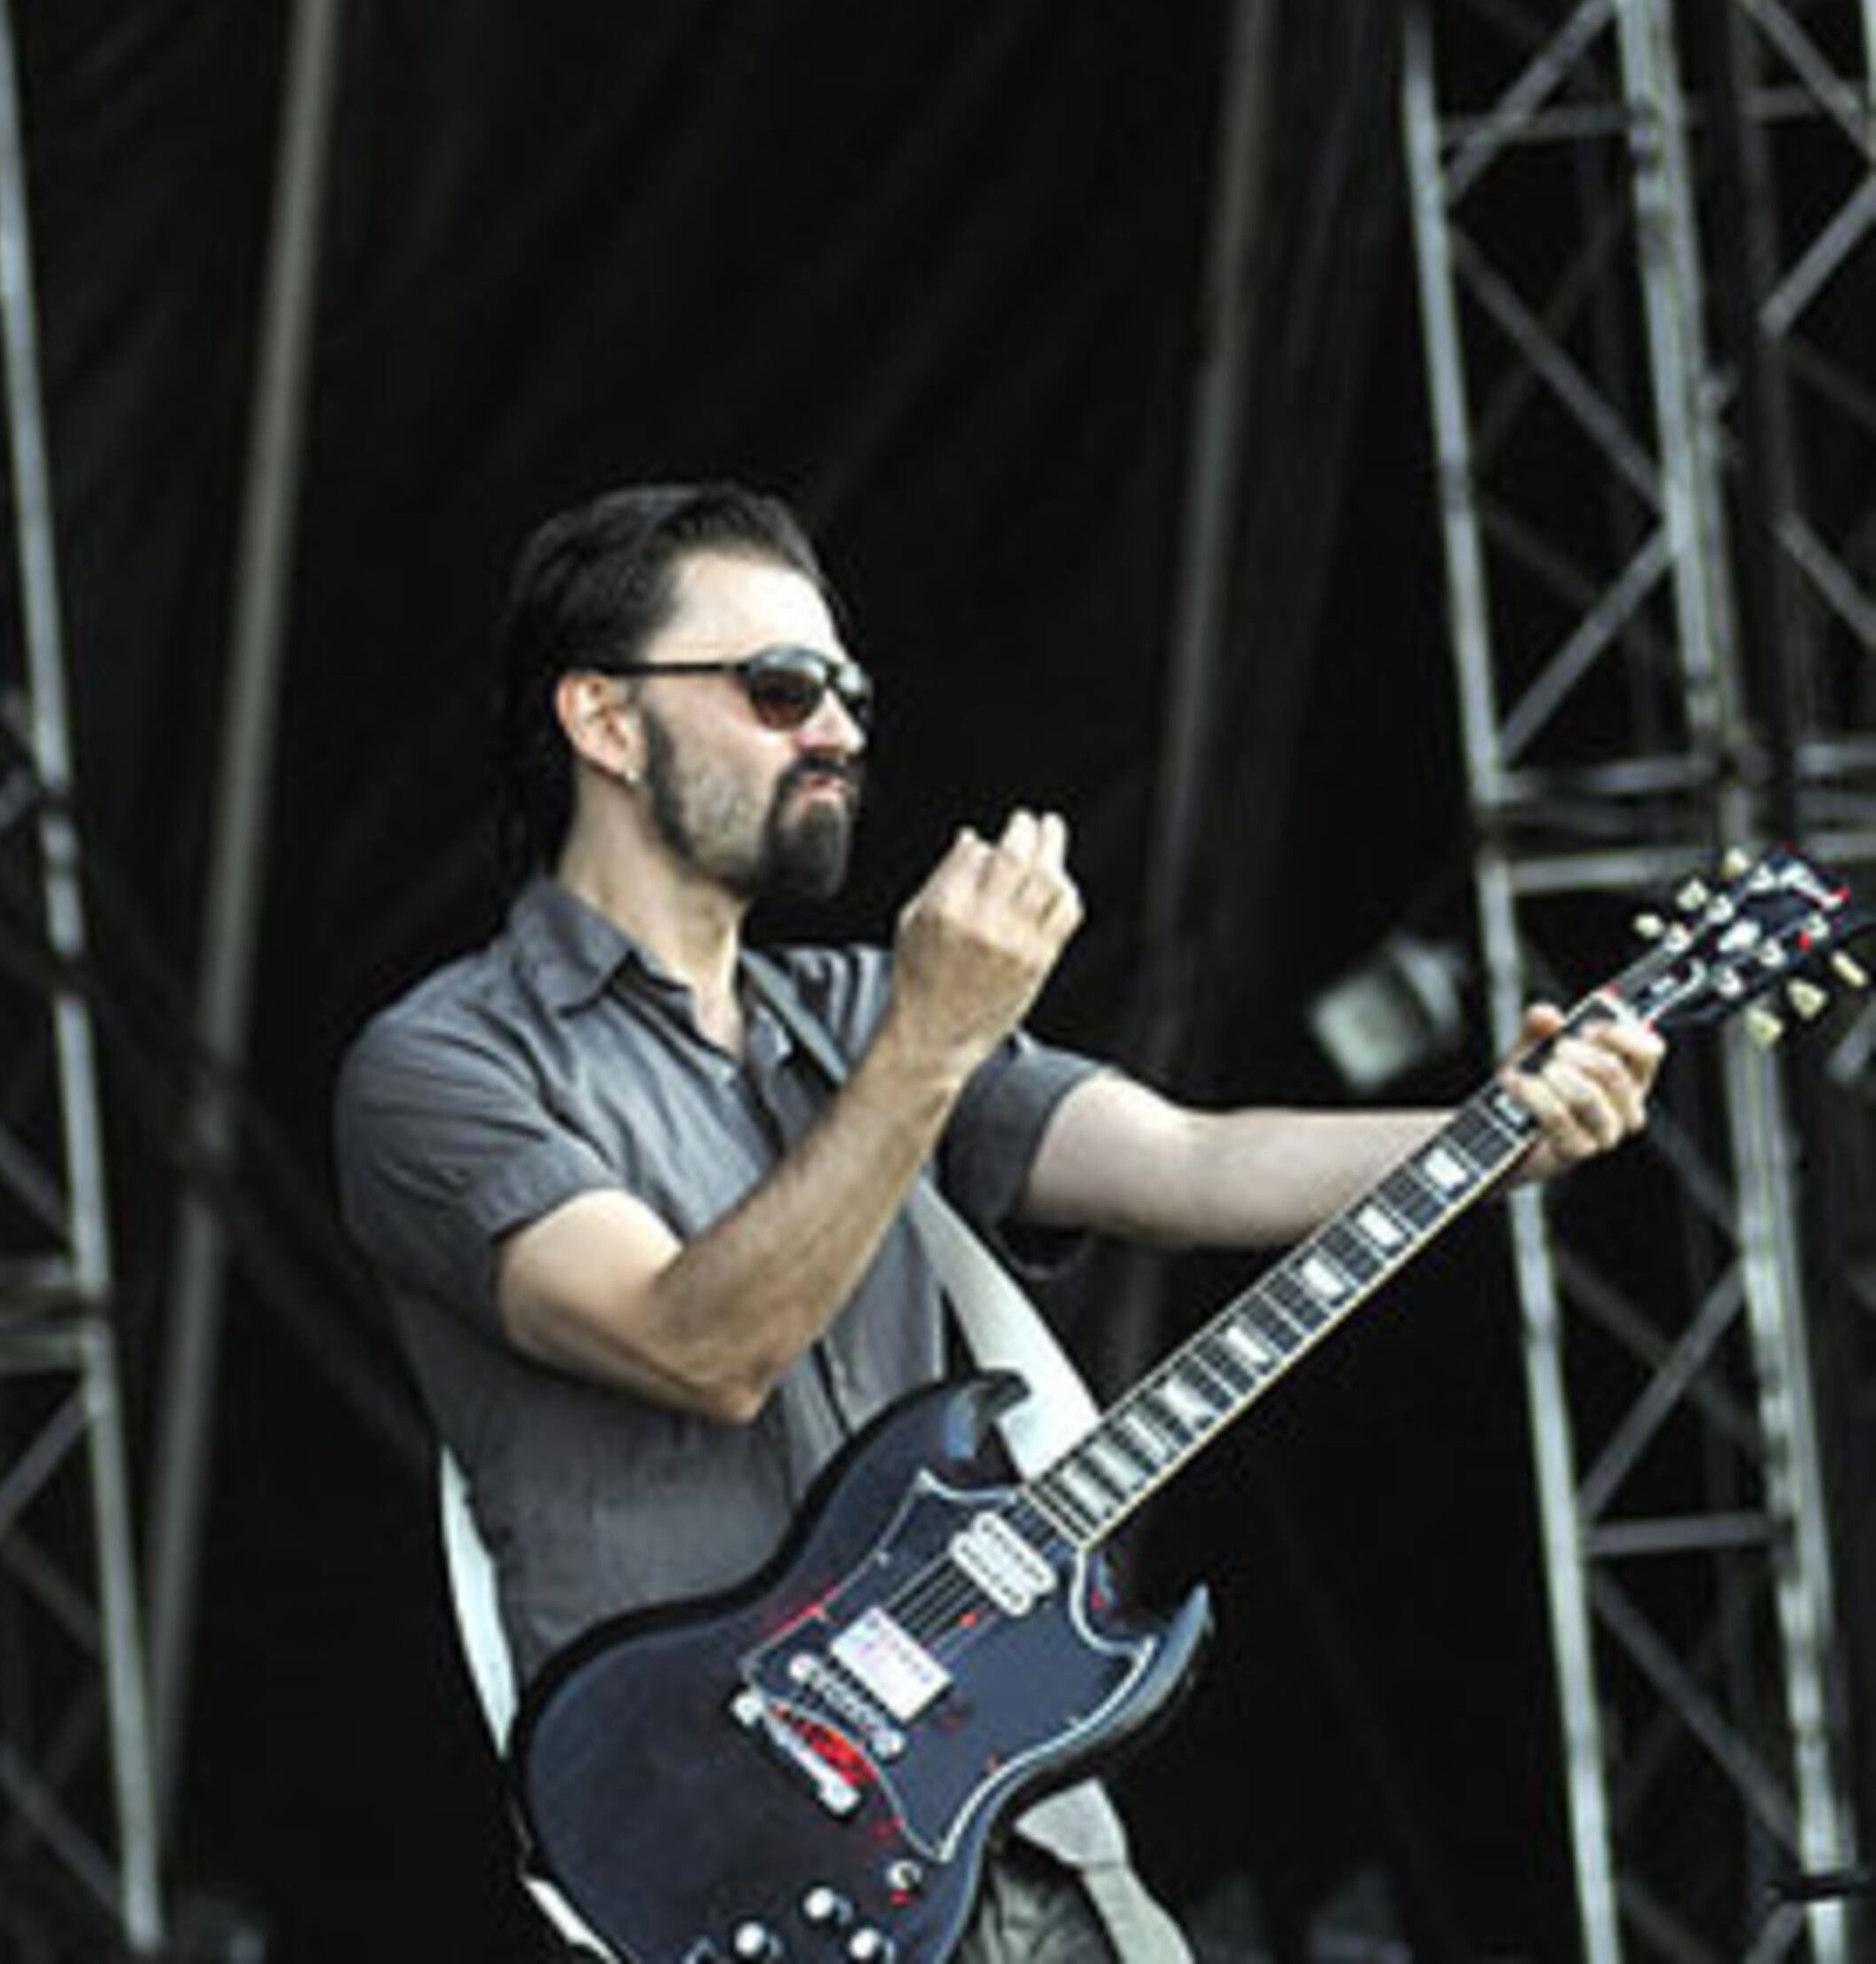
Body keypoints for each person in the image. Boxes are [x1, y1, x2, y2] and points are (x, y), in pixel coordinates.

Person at [331, 482, 1663, 1961]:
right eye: (780, 687)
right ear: (604, 718)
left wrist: (1498, 1132)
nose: (837, 730)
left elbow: (1191, 1160)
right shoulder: (449, 1064)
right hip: (735, 1865)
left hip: (1029, 1831)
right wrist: (930, 1038)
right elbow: (700, 1344)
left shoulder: (850, 1011)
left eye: (850, 693)